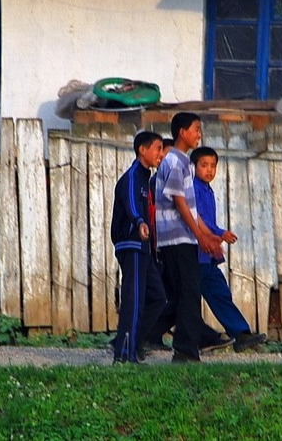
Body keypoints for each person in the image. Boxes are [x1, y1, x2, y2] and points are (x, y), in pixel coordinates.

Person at [146, 112, 226, 362]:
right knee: (187, 295)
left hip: (186, 238)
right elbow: (179, 202)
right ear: (182, 132)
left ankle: (180, 347)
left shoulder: (185, 163)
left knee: (186, 295)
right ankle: (185, 350)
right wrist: (199, 236)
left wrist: (207, 235)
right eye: (195, 129)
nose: (198, 134)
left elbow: (191, 208)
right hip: (175, 238)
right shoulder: (173, 162)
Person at [192, 146, 268, 352]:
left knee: (220, 293)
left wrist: (217, 235)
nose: (209, 170)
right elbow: (198, 219)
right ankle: (145, 336)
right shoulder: (193, 189)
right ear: (194, 166)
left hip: (207, 255)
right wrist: (218, 234)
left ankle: (241, 334)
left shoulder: (207, 190)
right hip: (195, 253)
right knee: (177, 304)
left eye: (213, 166)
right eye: (204, 165)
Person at [109, 131, 168, 363]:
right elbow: (133, 204)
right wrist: (139, 221)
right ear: (142, 150)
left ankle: (128, 342)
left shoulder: (146, 178)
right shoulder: (133, 176)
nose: (161, 154)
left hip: (143, 247)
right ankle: (125, 356)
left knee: (157, 298)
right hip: (131, 244)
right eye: (157, 148)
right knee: (133, 301)